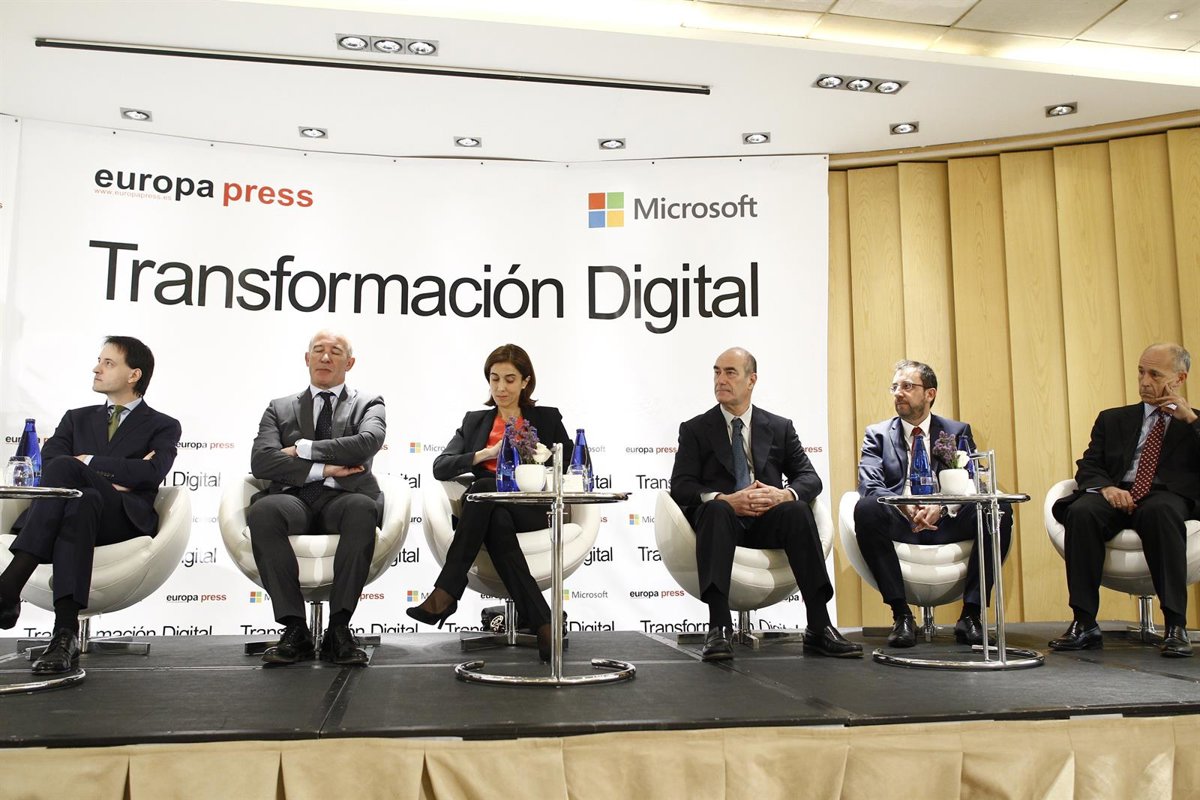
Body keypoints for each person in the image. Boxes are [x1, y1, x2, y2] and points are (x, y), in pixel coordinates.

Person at [1, 336, 180, 674]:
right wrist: (117, 475)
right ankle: (64, 634)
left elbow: (152, 472)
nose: (97, 368)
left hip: (120, 519)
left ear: (134, 375)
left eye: (108, 363)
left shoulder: (163, 424)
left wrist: (86, 461)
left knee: (71, 472)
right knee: (84, 501)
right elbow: (49, 465)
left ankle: (11, 582)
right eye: (99, 361)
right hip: (78, 513)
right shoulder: (76, 418)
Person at [669, 347, 860, 661]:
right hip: (722, 523)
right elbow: (681, 485)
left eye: (730, 372)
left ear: (751, 380)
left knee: (797, 510)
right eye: (717, 372)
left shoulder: (779, 427)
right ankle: (719, 628)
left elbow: (810, 478)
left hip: (767, 522)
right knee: (715, 510)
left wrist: (784, 494)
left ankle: (819, 625)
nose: (720, 380)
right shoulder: (695, 429)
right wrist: (724, 498)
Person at [407, 343, 572, 662]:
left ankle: (446, 591)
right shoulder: (475, 422)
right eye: (494, 379)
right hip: (487, 514)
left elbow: (573, 464)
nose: (501, 388)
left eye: (509, 379)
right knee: (494, 514)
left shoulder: (547, 418)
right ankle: (544, 623)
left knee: (483, 487)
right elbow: (441, 466)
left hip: (529, 508)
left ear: (525, 382)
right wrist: (484, 454)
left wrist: (536, 454)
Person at [1050, 343, 1200, 658]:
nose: (1144, 382)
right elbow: (1089, 464)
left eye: (1155, 374)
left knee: (1161, 511)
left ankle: (1175, 626)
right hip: (1117, 491)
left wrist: (1190, 420)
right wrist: (1106, 487)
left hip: (1165, 495)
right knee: (1082, 511)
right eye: (1141, 372)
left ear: (1180, 378)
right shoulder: (1112, 419)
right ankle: (1084, 623)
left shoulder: (1193, 423)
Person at [247, 330, 385, 667]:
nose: (325, 357)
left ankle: (339, 628)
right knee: (264, 511)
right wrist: (325, 469)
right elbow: (262, 461)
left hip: (344, 498)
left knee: (362, 509)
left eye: (335, 351)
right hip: (293, 497)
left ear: (349, 363)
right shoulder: (279, 407)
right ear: (307, 358)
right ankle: (295, 629)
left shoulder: (369, 403)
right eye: (318, 350)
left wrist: (302, 449)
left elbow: (367, 443)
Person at [853, 360, 1012, 648]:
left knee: (997, 509)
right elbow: (870, 485)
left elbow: (972, 480)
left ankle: (971, 615)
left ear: (930, 394)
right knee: (866, 509)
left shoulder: (956, 431)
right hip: (901, 521)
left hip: (947, 520)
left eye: (907, 386)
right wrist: (904, 506)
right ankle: (901, 615)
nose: (898, 393)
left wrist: (942, 506)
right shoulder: (877, 434)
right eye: (894, 387)